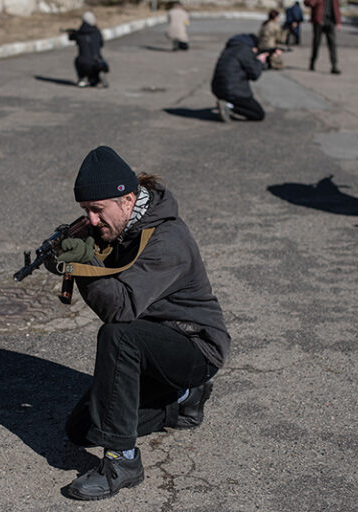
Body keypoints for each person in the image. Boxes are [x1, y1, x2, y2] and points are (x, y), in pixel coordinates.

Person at [56, 146, 231, 500]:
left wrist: (82, 264)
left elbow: (120, 309)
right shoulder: (122, 225)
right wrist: (62, 257)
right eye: (85, 211)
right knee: (82, 430)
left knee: (118, 336)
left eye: (96, 210)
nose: (91, 220)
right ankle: (182, 399)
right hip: (153, 346)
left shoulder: (167, 240)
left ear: (127, 200)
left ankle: (122, 461)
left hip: (195, 346)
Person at [211, 34, 269, 122]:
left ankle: (228, 104)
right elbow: (255, 74)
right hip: (233, 90)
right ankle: (229, 106)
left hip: (218, 89)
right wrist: (260, 61)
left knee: (246, 104)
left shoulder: (231, 48)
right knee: (258, 114)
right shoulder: (245, 51)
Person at [68, 12, 109, 87]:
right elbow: (101, 44)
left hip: (84, 63)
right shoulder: (97, 32)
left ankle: (82, 79)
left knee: (78, 60)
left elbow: (71, 38)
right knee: (94, 78)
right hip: (98, 63)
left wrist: (72, 34)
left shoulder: (80, 33)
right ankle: (97, 78)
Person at [304, 0, 341, 74]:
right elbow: (307, 3)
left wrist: (338, 21)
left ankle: (334, 66)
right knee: (316, 43)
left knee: (332, 44)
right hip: (319, 21)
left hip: (330, 21)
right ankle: (312, 62)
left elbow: (336, 8)